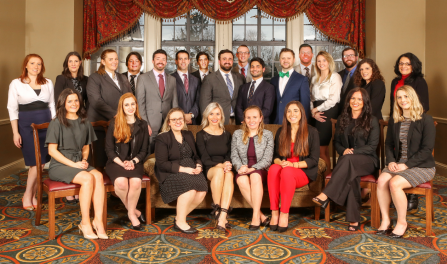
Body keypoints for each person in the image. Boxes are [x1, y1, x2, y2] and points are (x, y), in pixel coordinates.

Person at [313, 88, 379, 231]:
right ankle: (353, 220)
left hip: (368, 161)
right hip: (349, 163)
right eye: (353, 98)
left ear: (365, 102)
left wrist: (353, 152)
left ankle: (326, 194)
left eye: (359, 99)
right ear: (348, 100)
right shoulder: (343, 119)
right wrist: (344, 150)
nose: (355, 102)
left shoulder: (372, 120)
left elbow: (372, 146)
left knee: (348, 161)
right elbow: (337, 143)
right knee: (351, 175)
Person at [46, 88, 107, 239]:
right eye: (70, 101)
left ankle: (98, 221)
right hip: (60, 165)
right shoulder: (56, 123)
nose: (74, 104)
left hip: (79, 162)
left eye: (76, 100)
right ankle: (85, 222)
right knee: (87, 178)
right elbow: (52, 151)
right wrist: (74, 165)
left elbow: (85, 147)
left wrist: (84, 160)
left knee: (98, 176)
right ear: (63, 103)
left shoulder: (84, 121)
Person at [376, 85, 435, 238]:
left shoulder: (426, 119)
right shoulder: (395, 120)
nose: (403, 100)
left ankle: (402, 222)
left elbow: (427, 150)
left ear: (413, 97)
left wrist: (406, 165)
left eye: (406, 96)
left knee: (394, 184)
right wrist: (390, 161)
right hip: (399, 163)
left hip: (422, 166)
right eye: (399, 97)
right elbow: (389, 144)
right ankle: (386, 220)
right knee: (382, 180)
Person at [7, 54, 56, 211]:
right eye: (33, 63)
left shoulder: (48, 82)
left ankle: (32, 194)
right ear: (26, 65)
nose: (36, 66)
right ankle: (27, 195)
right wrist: (15, 132)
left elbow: (52, 105)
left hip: (46, 127)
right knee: (35, 163)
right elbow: (12, 109)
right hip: (27, 127)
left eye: (39, 64)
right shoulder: (16, 83)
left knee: (41, 164)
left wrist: (55, 127)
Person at [268, 101, 320, 232]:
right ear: (285, 114)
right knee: (274, 169)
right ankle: (274, 213)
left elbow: (314, 160)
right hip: (285, 168)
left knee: (287, 172)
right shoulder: (281, 131)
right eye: (289, 111)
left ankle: (284, 214)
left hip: (302, 171)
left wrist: (293, 165)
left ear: (302, 113)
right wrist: (281, 163)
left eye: (295, 110)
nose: (292, 114)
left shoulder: (312, 132)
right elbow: (275, 156)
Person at [154, 108, 208, 234]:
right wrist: (185, 170)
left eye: (180, 118)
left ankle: (179, 218)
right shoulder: (162, 138)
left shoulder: (188, 135)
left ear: (184, 121)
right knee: (190, 189)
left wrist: (199, 166)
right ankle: (181, 222)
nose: (178, 121)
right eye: (174, 119)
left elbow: (196, 156)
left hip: (191, 168)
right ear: (169, 122)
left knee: (202, 190)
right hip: (171, 171)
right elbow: (162, 164)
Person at [389, 53, 429, 211]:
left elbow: (424, 105)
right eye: (401, 63)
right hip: (398, 119)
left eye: (407, 64)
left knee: (411, 151)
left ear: (414, 65)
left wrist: (412, 122)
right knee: (397, 150)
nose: (403, 66)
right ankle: (398, 193)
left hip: (415, 121)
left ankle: (412, 194)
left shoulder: (420, 81)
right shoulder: (395, 81)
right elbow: (394, 103)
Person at [105, 93, 149, 230]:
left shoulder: (143, 125)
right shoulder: (114, 123)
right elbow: (109, 149)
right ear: (122, 107)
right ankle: (134, 212)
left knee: (135, 182)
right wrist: (122, 163)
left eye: (132, 104)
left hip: (136, 162)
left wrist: (134, 161)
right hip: (116, 162)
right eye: (126, 104)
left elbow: (144, 150)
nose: (130, 107)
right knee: (121, 183)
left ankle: (131, 213)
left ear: (136, 105)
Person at [86, 49, 132, 169]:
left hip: (119, 125)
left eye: (116, 59)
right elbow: (96, 101)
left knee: (117, 160)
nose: (114, 61)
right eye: (110, 59)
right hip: (99, 125)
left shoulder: (122, 78)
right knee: (99, 160)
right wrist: (116, 114)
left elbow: (129, 99)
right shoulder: (95, 77)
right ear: (103, 61)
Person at [231, 105, 274, 230]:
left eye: (254, 117)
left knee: (255, 176)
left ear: (260, 118)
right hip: (243, 168)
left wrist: (253, 168)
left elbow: (267, 159)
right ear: (244, 119)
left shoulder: (267, 134)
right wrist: (239, 167)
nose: (251, 120)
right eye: (248, 117)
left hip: (260, 169)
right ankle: (261, 215)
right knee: (241, 179)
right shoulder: (237, 134)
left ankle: (255, 217)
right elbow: (234, 155)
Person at [196, 103, 234, 231]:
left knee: (229, 174)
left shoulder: (227, 134)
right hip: (210, 168)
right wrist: (220, 165)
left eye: (217, 114)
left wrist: (227, 164)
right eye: (211, 113)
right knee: (218, 172)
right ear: (207, 116)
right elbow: (204, 158)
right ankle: (217, 211)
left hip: (224, 167)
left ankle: (222, 215)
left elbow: (229, 154)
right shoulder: (201, 135)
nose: (214, 117)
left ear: (221, 116)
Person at [137, 49, 178, 154]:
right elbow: (140, 103)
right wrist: (145, 123)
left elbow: (174, 103)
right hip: (150, 123)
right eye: (158, 59)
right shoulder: (143, 78)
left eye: (163, 59)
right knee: (149, 151)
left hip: (167, 123)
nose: (161, 61)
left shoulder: (172, 79)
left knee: (167, 150)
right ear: (152, 61)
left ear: (166, 62)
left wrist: (174, 121)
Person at [310, 51, 342, 175]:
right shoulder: (314, 78)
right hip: (315, 112)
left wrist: (317, 110)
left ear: (329, 62)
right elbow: (311, 98)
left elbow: (333, 100)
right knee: (322, 149)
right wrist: (313, 112)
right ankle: (326, 178)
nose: (321, 63)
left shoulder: (335, 77)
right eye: (319, 61)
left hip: (328, 112)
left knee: (321, 148)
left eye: (324, 60)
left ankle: (327, 184)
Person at [200, 49, 245, 125]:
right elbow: (204, 104)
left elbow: (244, 100)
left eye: (230, 59)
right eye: (224, 59)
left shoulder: (240, 78)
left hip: (238, 121)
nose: (227, 61)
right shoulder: (209, 79)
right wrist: (208, 122)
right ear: (219, 61)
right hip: (218, 121)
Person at [271, 48, 310, 124]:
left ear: (294, 59)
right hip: (276, 122)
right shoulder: (273, 80)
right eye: (283, 58)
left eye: (289, 58)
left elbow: (305, 105)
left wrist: (304, 124)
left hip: (293, 122)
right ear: (279, 60)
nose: (286, 61)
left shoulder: (302, 80)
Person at [236, 57, 275, 124]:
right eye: (252, 67)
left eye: (258, 66)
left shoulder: (269, 87)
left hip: (261, 125)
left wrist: (253, 120)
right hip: (244, 124)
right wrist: (244, 120)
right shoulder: (243, 87)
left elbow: (267, 109)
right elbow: (239, 106)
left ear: (263, 69)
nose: (255, 69)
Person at [171, 50, 200, 125]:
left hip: (192, 121)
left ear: (189, 61)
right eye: (180, 59)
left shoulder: (196, 80)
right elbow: (169, 100)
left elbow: (198, 100)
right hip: (175, 121)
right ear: (176, 61)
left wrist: (191, 115)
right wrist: (181, 116)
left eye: (185, 59)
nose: (183, 61)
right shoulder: (170, 79)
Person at [338, 47, 359, 113]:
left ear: (356, 58)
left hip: (356, 114)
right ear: (342, 59)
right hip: (339, 114)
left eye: (351, 55)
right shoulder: (338, 75)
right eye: (346, 56)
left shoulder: (362, 75)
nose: (349, 58)